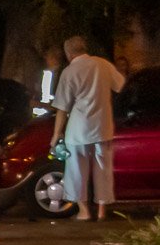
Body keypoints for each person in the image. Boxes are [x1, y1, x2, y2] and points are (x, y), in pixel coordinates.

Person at [49, 35, 126, 221]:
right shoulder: (103, 64)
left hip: (78, 128)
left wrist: (56, 134)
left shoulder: (69, 72)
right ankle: (101, 210)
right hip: (103, 126)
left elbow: (62, 108)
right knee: (103, 169)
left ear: (68, 53)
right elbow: (121, 85)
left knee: (76, 170)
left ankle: (84, 211)